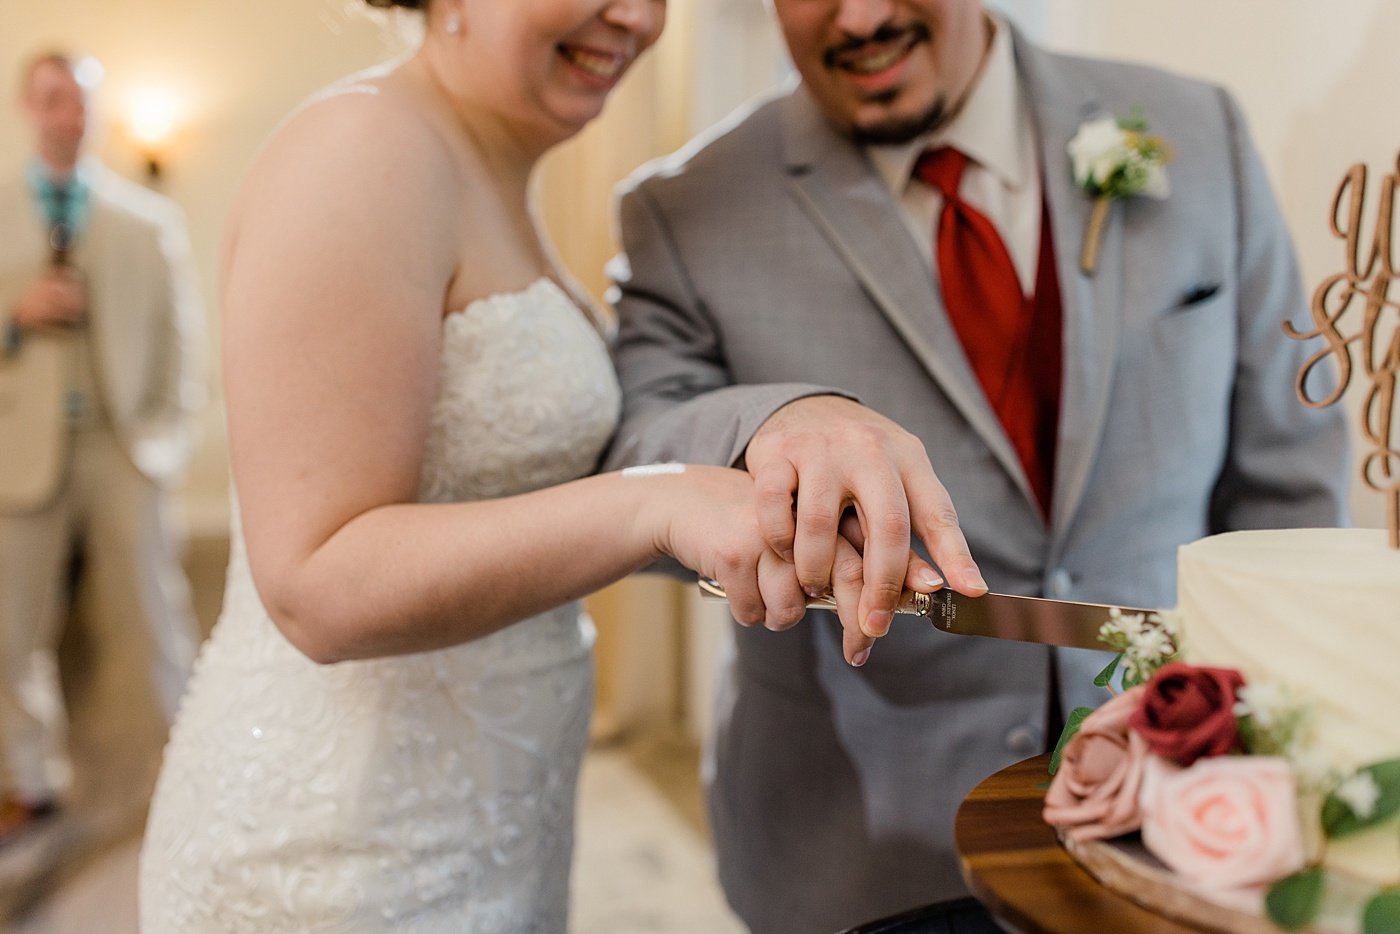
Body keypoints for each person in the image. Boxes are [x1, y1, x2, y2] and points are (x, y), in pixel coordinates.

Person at [137, 0, 950, 929]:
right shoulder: (361, 147)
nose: (638, 18)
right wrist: (658, 502)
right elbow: (315, 580)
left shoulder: (485, 160)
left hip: (481, 824)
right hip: (339, 854)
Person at [604, 1, 1351, 930]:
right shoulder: (685, 205)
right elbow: (631, 446)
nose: (862, 17)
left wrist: (1297, 736)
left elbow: (1290, 476)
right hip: (860, 847)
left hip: (1185, 822)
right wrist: (771, 425)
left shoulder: (1201, 133)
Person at [0, 52, 203, 845]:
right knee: (9, 628)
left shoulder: (146, 220)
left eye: (81, 102)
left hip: (123, 451)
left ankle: (178, 773)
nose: (68, 115)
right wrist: (14, 317)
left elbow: (182, 342)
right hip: (18, 454)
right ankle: (25, 775)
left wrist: (165, 439)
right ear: (29, 105)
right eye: (53, 100)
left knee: (155, 619)